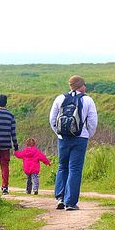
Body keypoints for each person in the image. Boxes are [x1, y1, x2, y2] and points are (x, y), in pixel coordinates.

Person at [49, 75, 98, 211]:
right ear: (81, 86)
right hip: (80, 138)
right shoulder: (87, 100)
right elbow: (93, 122)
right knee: (75, 169)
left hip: (63, 138)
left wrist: (59, 133)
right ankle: (70, 202)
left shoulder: (60, 98)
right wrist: (88, 134)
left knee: (62, 166)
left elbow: (52, 119)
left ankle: (60, 197)